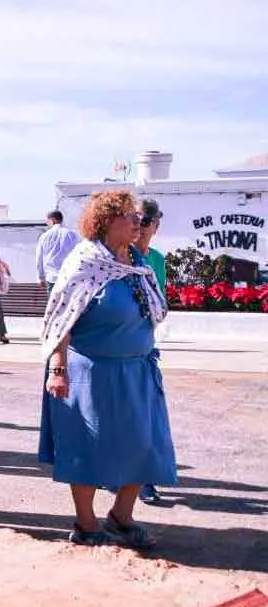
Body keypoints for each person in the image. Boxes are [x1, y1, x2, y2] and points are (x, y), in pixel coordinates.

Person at [39, 189, 176, 548]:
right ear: (107, 221)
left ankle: (121, 517)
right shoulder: (85, 261)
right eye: (130, 216)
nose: (138, 222)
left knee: (144, 445)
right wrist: (58, 367)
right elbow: (61, 319)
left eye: (139, 217)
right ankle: (86, 524)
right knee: (87, 446)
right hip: (90, 374)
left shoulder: (136, 262)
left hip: (138, 372)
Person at [134, 198, 167, 505]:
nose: (141, 228)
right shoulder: (116, 256)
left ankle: (143, 480)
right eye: (138, 221)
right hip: (117, 351)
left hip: (144, 350)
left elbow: (160, 305)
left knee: (145, 418)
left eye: (147, 222)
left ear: (156, 226)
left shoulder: (156, 259)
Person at [35, 209, 81, 303]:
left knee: (53, 307)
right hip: (69, 277)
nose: (47, 223)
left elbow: (39, 258)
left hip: (51, 278)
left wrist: (40, 277)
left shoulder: (44, 236)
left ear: (53, 220)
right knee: (69, 307)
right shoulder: (73, 234)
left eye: (47, 220)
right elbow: (80, 255)